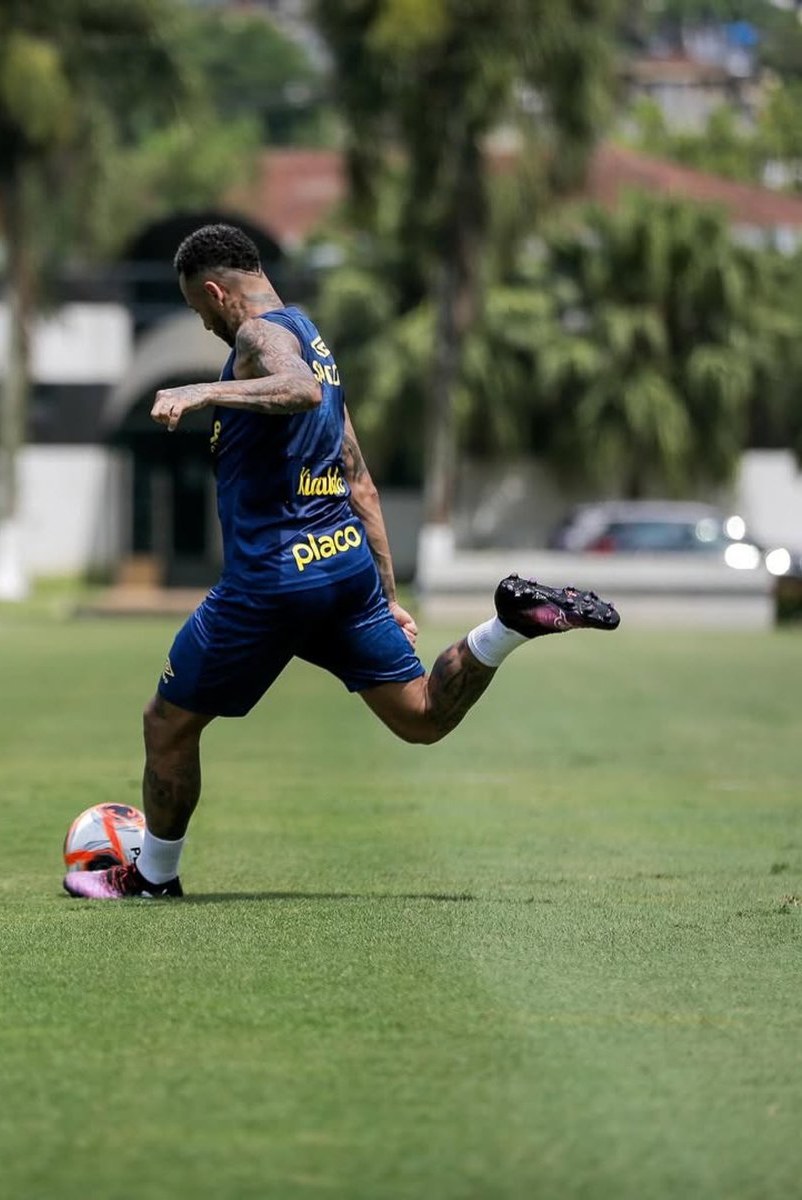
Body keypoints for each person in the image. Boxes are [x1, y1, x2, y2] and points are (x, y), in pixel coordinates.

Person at [64, 223, 619, 900]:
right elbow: (360, 482)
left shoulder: (258, 336)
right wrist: (388, 596)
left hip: (271, 581)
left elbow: (295, 389)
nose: (203, 323)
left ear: (214, 291)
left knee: (167, 722)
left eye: (196, 308)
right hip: (344, 567)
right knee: (421, 716)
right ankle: (508, 625)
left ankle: (153, 877)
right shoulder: (315, 339)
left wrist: (201, 392)